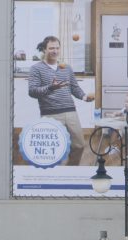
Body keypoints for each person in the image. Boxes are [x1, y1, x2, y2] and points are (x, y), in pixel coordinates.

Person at [27, 35, 95, 166]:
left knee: (79, 145)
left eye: (57, 48)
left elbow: (74, 87)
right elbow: (32, 91)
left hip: (70, 112)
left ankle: (71, 170)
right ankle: (55, 175)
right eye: (51, 48)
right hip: (50, 114)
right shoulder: (36, 69)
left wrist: (84, 97)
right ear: (44, 50)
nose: (55, 51)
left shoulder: (66, 68)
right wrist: (51, 87)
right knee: (55, 149)